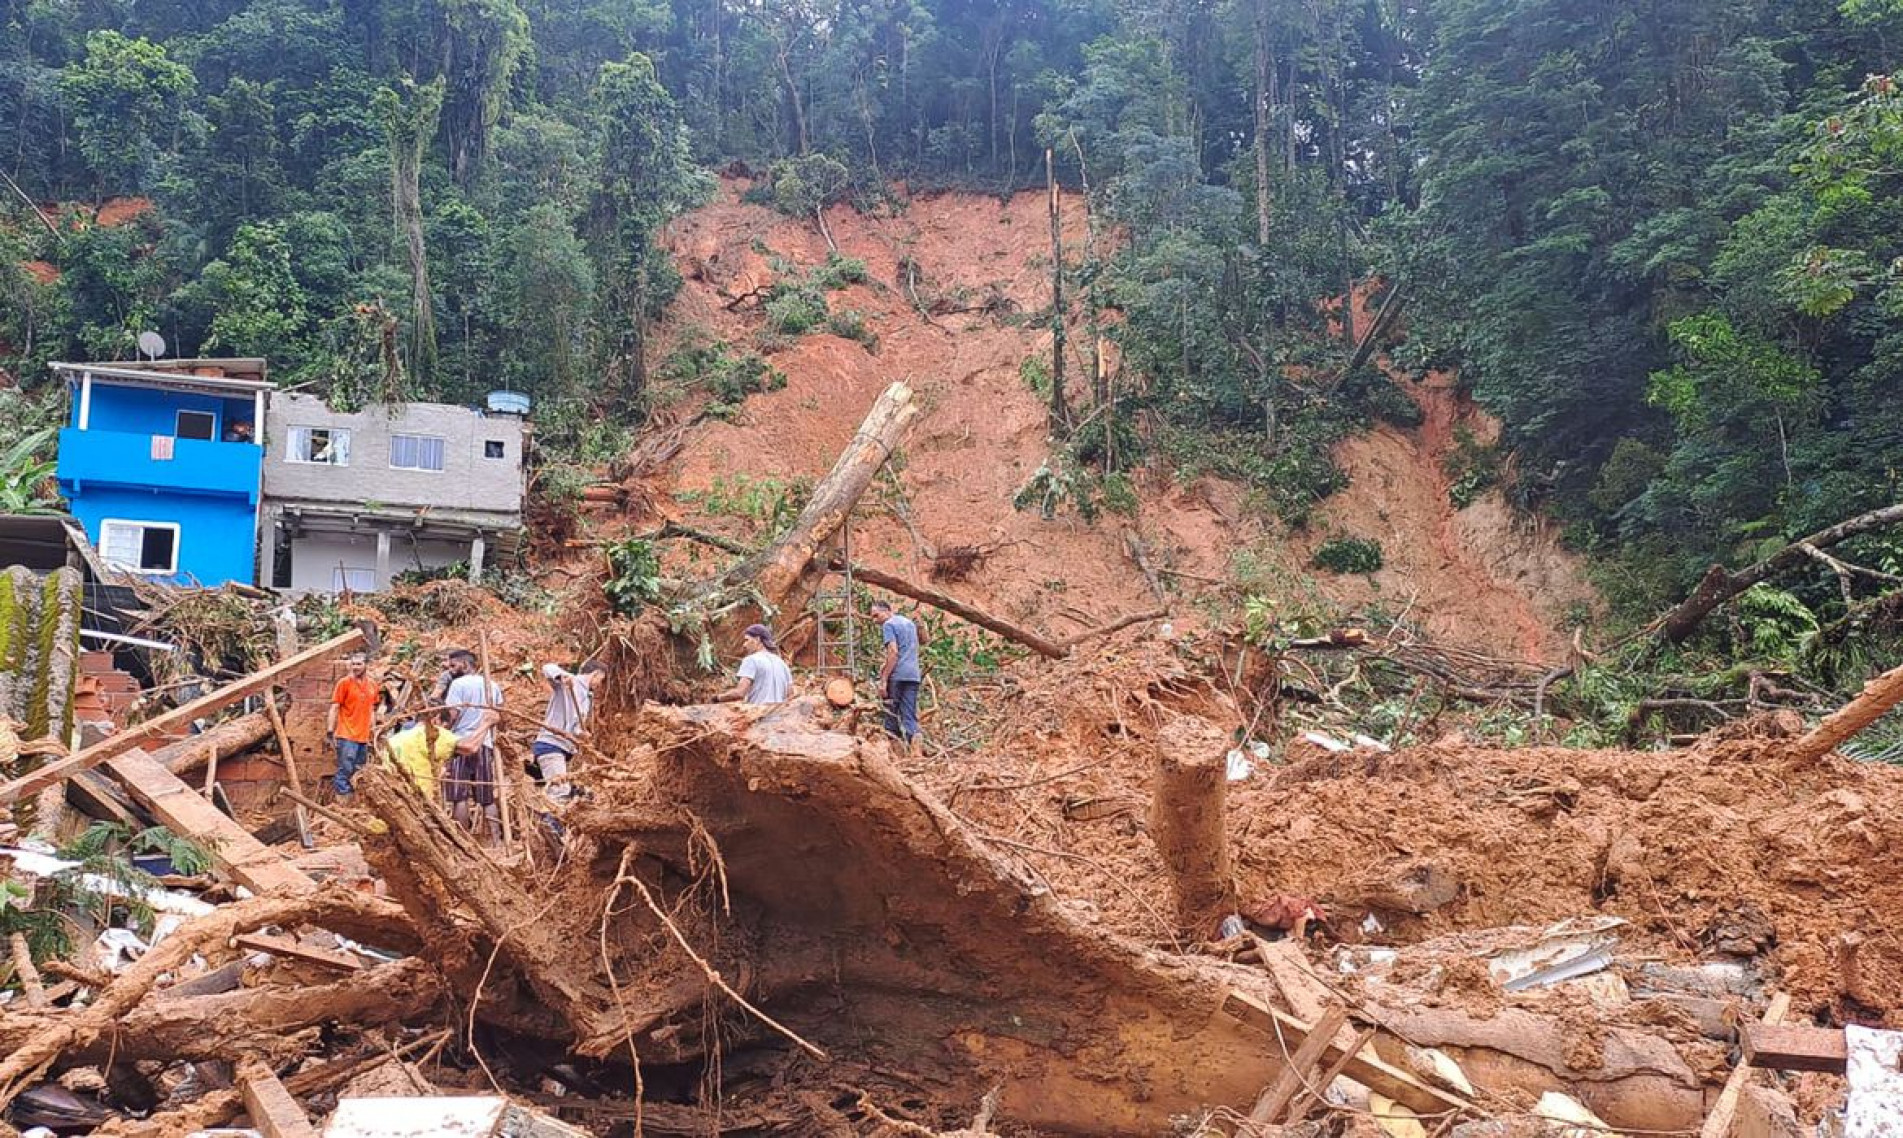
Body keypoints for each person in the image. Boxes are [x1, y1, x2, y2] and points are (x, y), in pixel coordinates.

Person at [438, 649, 504, 836]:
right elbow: (498, 715)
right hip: (485, 743)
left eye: (453, 665)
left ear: (465, 664)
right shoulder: (492, 685)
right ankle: (496, 839)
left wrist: (443, 730)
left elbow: (453, 713)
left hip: (460, 743)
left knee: (459, 795)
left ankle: (463, 839)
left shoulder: (458, 685)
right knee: (486, 796)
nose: (450, 670)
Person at [532, 660, 606, 803]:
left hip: (564, 748)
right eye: (600, 680)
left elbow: (574, 727)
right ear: (595, 674)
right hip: (551, 746)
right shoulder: (569, 683)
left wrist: (581, 733)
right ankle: (549, 824)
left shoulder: (587, 697)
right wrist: (562, 676)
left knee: (566, 791)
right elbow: (547, 667)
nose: (599, 685)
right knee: (559, 794)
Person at [872, 600, 923, 752]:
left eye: (876, 616)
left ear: (887, 611)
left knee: (890, 714)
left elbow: (893, 652)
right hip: (913, 675)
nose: (875, 621)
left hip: (897, 676)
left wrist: (884, 679)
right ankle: (916, 747)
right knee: (909, 714)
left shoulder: (889, 625)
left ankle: (896, 751)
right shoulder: (909, 623)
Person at [325, 653, 377, 797]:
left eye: (359, 664)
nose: (355, 667)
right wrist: (330, 730)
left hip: (363, 736)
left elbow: (371, 708)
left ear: (366, 665)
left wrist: (373, 730)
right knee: (345, 768)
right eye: (353, 664)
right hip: (346, 734)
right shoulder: (344, 683)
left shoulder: (372, 685)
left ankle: (356, 798)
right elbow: (335, 706)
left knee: (359, 769)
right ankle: (343, 798)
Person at [714, 624, 793, 704]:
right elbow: (790, 696)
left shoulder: (751, 660)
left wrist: (717, 698)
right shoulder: (782, 664)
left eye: (747, 640)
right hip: (779, 714)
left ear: (757, 639)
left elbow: (740, 693)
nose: (744, 645)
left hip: (759, 714)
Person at [381, 721, 459, 799]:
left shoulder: (399, 736)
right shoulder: (427, 735)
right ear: (435, 720)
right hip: (414, 794)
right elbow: (467, 747)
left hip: (388, 787)